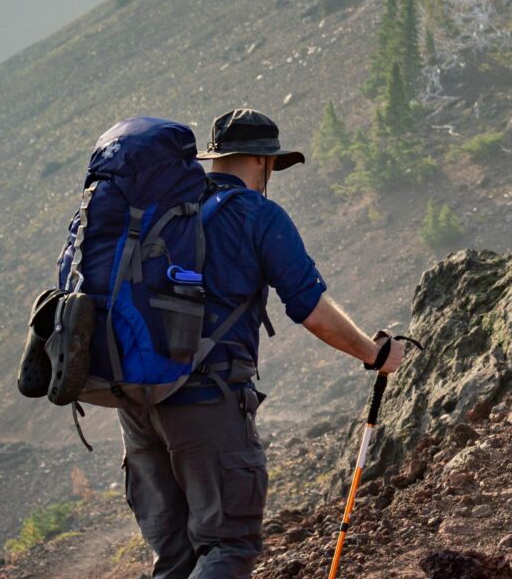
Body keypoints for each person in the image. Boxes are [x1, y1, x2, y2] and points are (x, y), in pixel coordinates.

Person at [119, 108, 408, 579]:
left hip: (135, 399)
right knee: (229, 545)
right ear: (263, 162)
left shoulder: (160, 211)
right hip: (205, 400)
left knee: (175, 559)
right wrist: (375, 354)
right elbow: (311, 309)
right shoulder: (258, 215)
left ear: (216, 158)